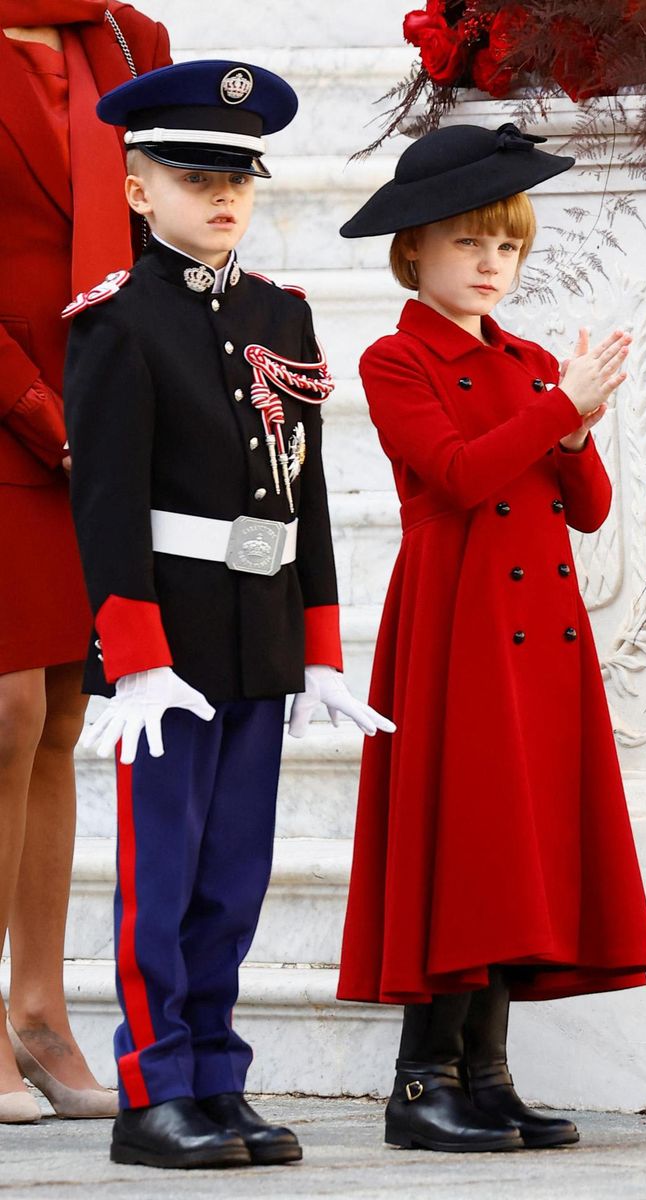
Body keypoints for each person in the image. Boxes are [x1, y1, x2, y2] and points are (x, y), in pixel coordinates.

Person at [63, 59, 394, 1170]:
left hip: (258, 634)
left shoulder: (281, 314)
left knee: (235, 875)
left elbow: (303, 496)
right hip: (173, 645)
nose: (222, 197)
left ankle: (217, 1077)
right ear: (136, 188)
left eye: (239, 179)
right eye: (194, 174)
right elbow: (106, 504)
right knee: (163, 875)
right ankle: (154, 1091)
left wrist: (320, 647)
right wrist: (136, 657)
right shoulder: (119, 321)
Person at [336, 123, 646, 1154]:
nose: (490, 264)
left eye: (507, 247)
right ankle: (420, 1079)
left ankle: (487, 1074)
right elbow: (461, 476)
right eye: (469, 243)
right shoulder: (395, 358)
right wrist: (559, 407)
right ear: (414, 252)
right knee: (462, 833)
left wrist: (572, 427)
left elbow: (591, 506)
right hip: (458, 620)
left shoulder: (525, 358)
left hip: (540, 638)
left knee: (520, 844)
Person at [0, 1, 170, 1125]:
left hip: (100, 415)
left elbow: (170, 228)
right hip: (8, 405)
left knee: (63, 710)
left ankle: (40, 1008)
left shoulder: (129, 41)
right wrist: (40, 410)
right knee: (6, 708)